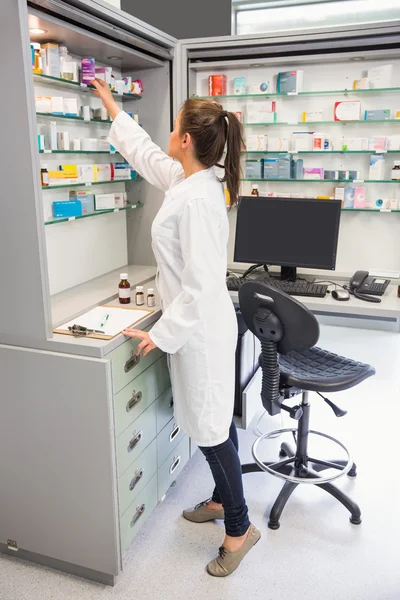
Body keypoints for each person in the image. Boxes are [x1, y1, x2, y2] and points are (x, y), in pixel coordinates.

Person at [92, 79, 261, 577]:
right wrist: (113, 110)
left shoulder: (198, 200)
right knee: (215, 422)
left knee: (209, 431)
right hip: (200, 328)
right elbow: (147, 156)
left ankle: (239, 528)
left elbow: (204, 284)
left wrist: (160, 334)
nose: (167, 133)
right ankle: (218, 498)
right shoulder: (193, 180)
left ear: (186, 139)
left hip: (200, 331)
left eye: (173, 127)